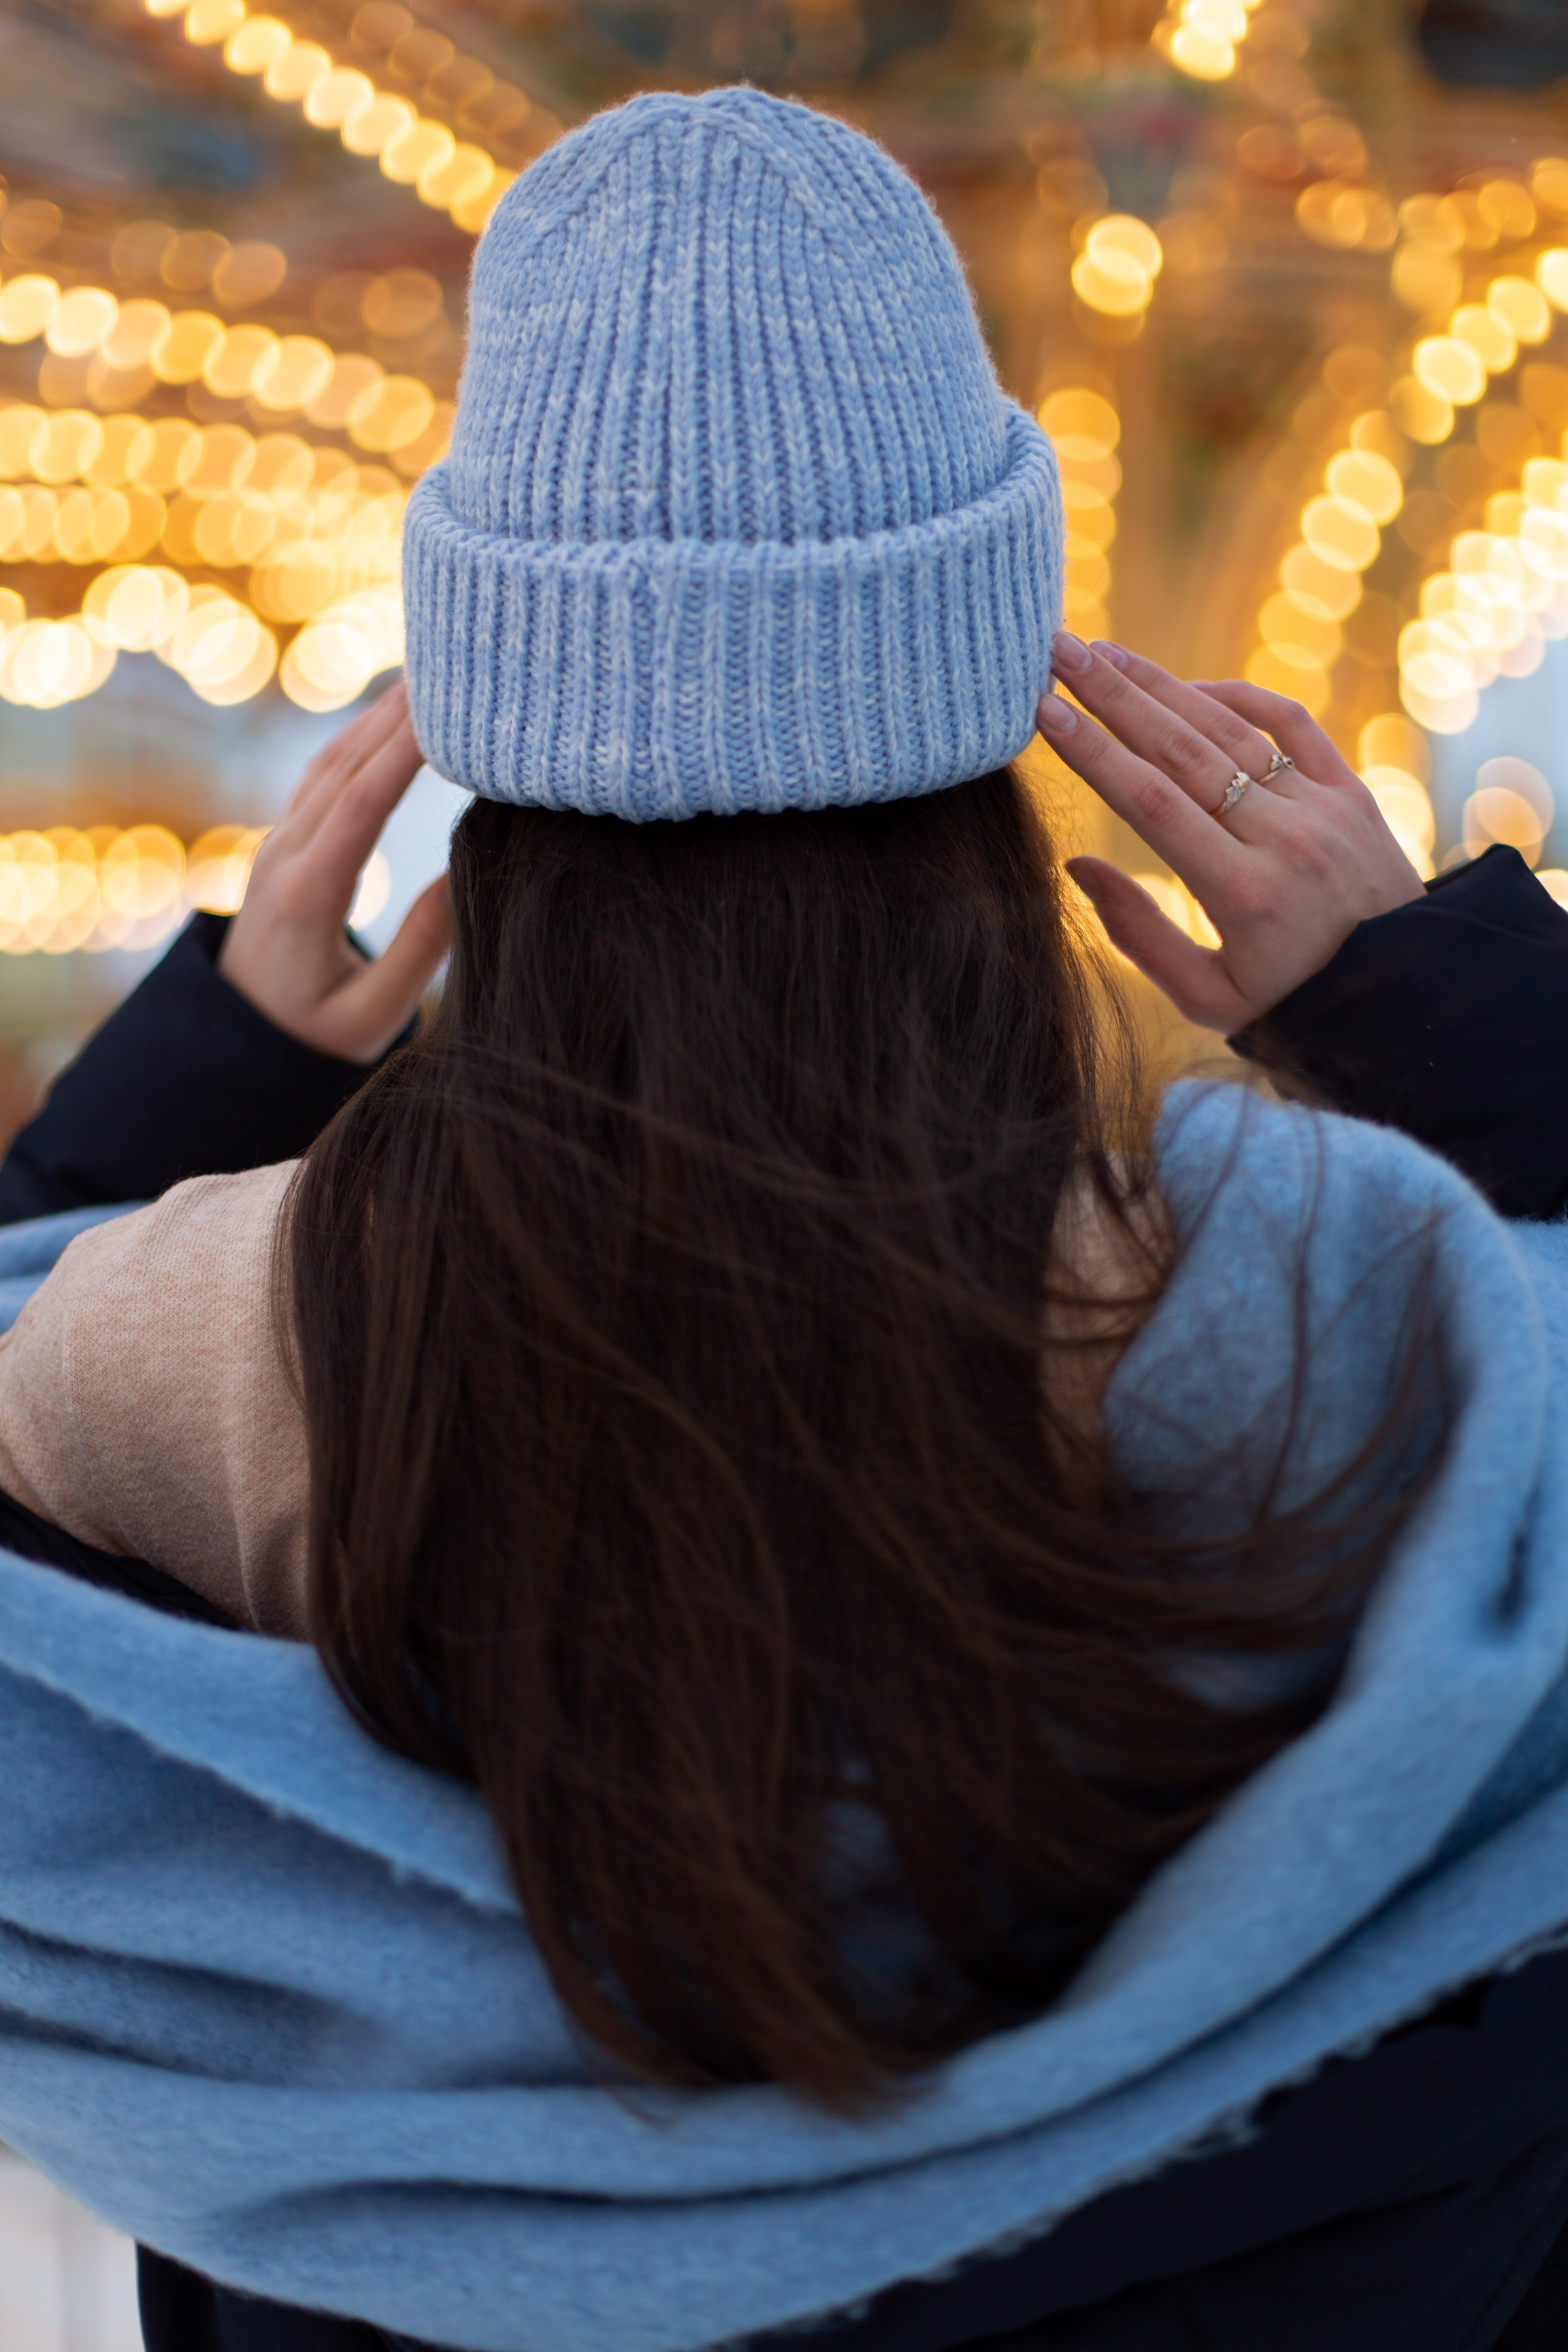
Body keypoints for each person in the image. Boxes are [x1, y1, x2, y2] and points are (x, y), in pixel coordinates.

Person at [3, 82, 1568, 2352]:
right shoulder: (1335, 1304)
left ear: (486, 768)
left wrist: (197, 1076)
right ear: (999, 744)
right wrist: (1452, 1009)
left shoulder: (199, 1341)